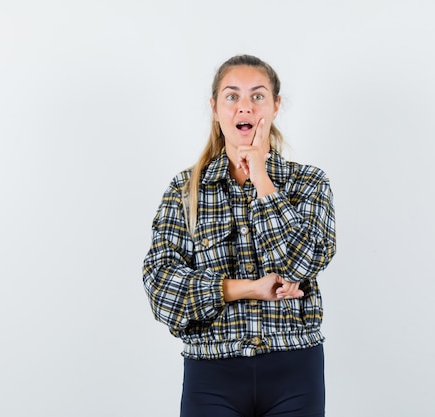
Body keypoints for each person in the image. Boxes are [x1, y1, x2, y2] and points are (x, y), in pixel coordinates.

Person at [142, 54, 336, 417]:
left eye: (257, 96)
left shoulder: (310, 183)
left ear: (276, 106)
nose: (244, 106)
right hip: (212, 371)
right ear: (214, 108)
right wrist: (247, 288)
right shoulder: (185, 190)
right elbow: (161, 289)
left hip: (294, 368)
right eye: (232, 96)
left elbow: (303, 262)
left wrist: (261, 177)